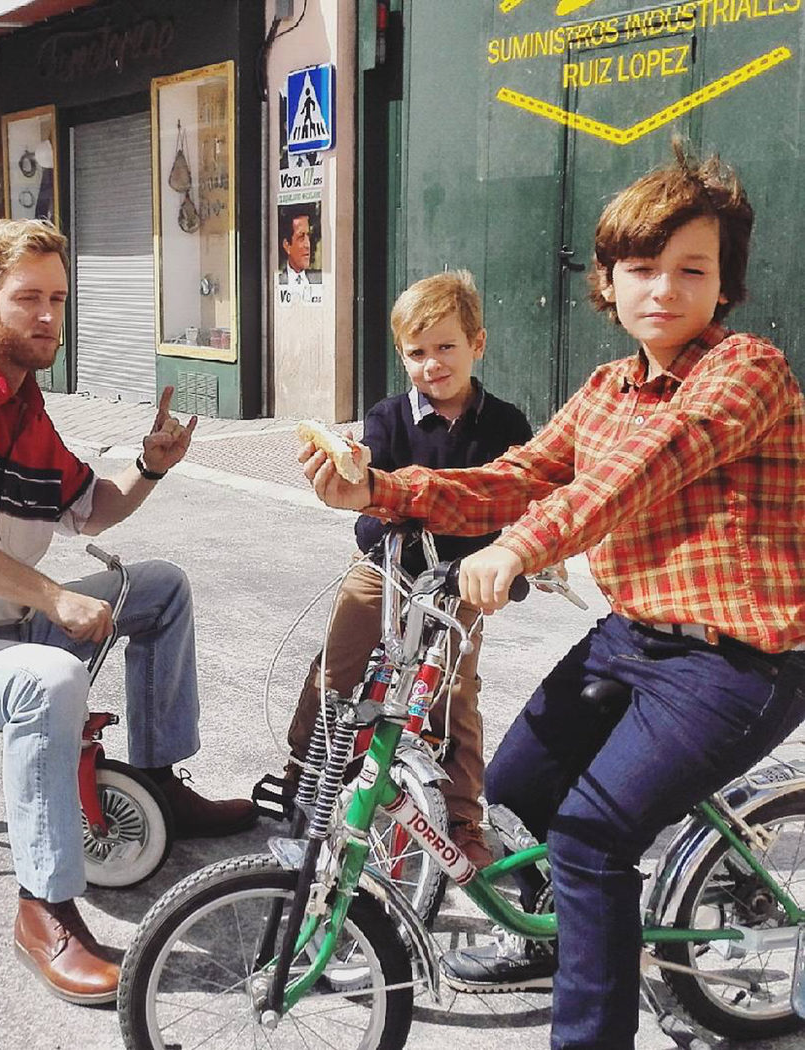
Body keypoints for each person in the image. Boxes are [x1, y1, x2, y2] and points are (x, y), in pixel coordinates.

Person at [300, 146, 805, 1048]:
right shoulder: (609, 387)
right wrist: (379, 488)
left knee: (589, 840)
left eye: (692, 269)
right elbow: (516, 475)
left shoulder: (746, 371)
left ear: (725, 284)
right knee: (514, 794)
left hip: (736, 663)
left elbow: (646, 469)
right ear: (607, 281)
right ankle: (565, 935)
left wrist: (522, 547)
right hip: (631, 639)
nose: (664, 289)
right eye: (642, 268)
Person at [0, 218, 255, 1008]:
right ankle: (43, 910)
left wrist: (149, 465)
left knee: (158, 585)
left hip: (5, 630)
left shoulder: (25, 405)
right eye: (28, 298)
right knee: (50, 680)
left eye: (59, 297)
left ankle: (160, 782)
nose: (49, 316)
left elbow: (89, 509)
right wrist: (51, 596)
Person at [265, 270, 531, 867]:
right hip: (386, 570)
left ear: (477, 345)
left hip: (459, 584)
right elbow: (366, 505)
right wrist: (366, 493)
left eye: (446, 348)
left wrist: (510, 565)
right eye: (417, 353)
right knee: (336, 668)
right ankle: (303, 774)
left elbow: (521, 505)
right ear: (401, 356)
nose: (432, 364)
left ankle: (462, 818)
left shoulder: (506, 425)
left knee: (454, 692)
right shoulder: (387, 418)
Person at [278, 204, 322, 290]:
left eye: (308, 236)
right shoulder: (278, 282)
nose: (307, 245)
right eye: (301, 237)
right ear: (287, 246)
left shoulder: (320, 279)